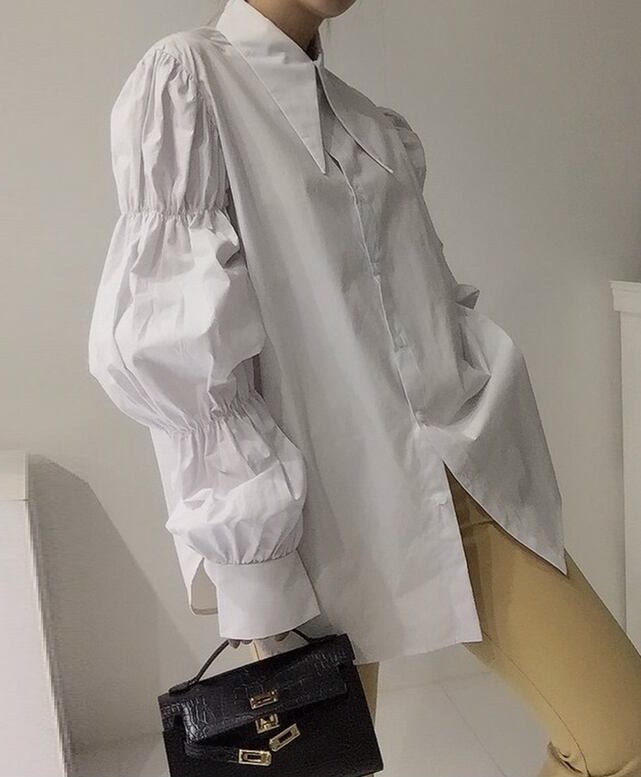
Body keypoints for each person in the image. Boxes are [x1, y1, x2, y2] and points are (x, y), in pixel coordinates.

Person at [87, 0, 641, 773]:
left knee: (624, 734)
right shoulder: (190, 80)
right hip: (305, 523)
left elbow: (424, 304)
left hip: (459, 482)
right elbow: (175, 347)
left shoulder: (368, 123)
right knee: (321, 763)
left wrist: (479, 401)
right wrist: (257, 571)